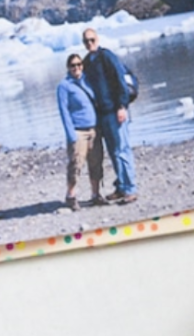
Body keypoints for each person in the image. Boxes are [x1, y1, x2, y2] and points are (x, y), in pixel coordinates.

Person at [82, 28, 138, 204]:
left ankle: (130, 189)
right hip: (102, 114)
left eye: (92, 40)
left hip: (115, 110)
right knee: (114, 152)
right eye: (86, 41)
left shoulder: (106, 56)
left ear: (97, 39)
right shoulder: (87, 62)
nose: (89, 43)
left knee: (122, 150)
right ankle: (121, 186)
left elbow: (119, 80)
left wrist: (122, 106)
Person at [56, 53, 108, 210]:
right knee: (76, 164)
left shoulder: (86, 81)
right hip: (78, 132)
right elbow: (63, 111)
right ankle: (71, 196)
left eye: (79, 64)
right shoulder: (64, 86)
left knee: (96, 162)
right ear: (68, 67)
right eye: (73, 65)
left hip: (93, 130)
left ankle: (95, 194)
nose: (76, 68)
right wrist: (71, 134)